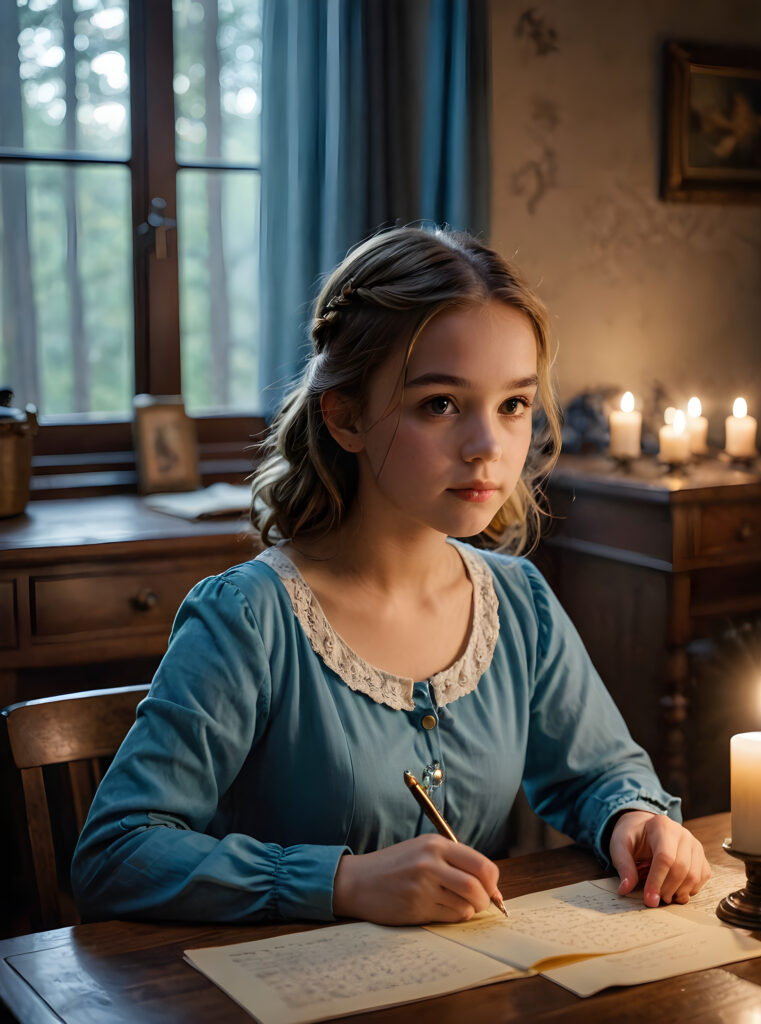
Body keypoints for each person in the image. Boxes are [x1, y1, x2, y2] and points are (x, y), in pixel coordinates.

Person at [72, 226, 710, 925]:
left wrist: (633, 818)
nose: (488, 448)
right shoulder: (248, 617)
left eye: (514, 405)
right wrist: (341, 882)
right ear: (346, 417)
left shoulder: (520, 602)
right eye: (440, 404)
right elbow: (115, 854)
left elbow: (598, 773)